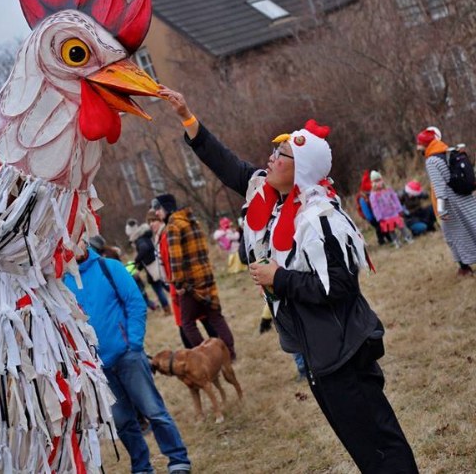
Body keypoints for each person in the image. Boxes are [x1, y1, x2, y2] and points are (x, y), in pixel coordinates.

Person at [159, 85, 418, 473]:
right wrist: (186, 116)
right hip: (319, 352)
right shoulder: (270, 198)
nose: (269, 158)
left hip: (342, 350)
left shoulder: (320, 219)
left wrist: (279, 279)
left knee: (379, 444)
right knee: (363, 448)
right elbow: (228, 164)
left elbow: (342, 286)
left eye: (280, 155)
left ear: (302, 170)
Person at [63, 241, 191, 474]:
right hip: (98, 368)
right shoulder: (62, 282)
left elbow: (134, 303)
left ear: (85, 241)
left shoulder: (109, 267)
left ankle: (178, 459)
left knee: (153, 411)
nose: (73, 245)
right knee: (123, 422)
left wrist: (132, 343)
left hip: (128, 356)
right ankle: (142, 466)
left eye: (77, 239)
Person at [153, 193, 236, 359]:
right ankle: (230, 354)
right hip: (206, 278)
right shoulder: (193, 221)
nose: (156, 212)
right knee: (216, 317)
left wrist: (178, 285)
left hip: (190, 284)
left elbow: (175, 258)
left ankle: (208, 357)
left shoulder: (173, 226)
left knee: (187, 323)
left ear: (166, 208)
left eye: (158, 208)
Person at [150, 208, 216, 348]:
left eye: (153, 220)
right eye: (149, 221)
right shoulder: (160, 237)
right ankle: (210, 349)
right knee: (191, 320)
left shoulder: (168, 234)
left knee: (189, 321)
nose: (151, 224)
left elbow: (174, 260)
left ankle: (209, 351)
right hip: (178, 284)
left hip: (182, 284)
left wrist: (177, 282)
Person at [417, 126, 476, 276]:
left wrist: (441, 209)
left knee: (455, 236)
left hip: (452, 204)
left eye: (420, 145)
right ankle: (464, 267)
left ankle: (464, 268)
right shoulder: (448, 151)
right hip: (466, 198)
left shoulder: (432, 160)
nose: (418, 148)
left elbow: (439, 187)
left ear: (426, 145)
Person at [127, 218, 172, 314]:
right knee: (165, 285)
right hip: (156, 264)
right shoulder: (144, 236)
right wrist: (138, 267)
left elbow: (144, 249)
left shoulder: (139, 240)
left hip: (152, 269)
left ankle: (167, 309)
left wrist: (136, 260)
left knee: (158, 289)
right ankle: (176, 300)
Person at [369, 171, 413, 247]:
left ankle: (408, 237)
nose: (378, 182)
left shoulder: (388, 189)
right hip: (384, 216)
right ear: (373, 183)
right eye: (376, 181)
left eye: (379, 180)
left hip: (394, 212)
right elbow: (375, 207)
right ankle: (396, 242)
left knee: (401, 226)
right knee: (391, 230)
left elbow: (395, 199)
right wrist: (379, 217)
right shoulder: (373, 195)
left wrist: (399, 209)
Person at [355, 170, 391, 245]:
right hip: (372, 217)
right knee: (379, 228)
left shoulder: (371, 194)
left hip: (376, 214)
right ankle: (381, 241)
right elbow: (366, 211)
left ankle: (388, 238)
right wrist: (371, 218)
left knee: (382, 227)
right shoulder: (363, 198)